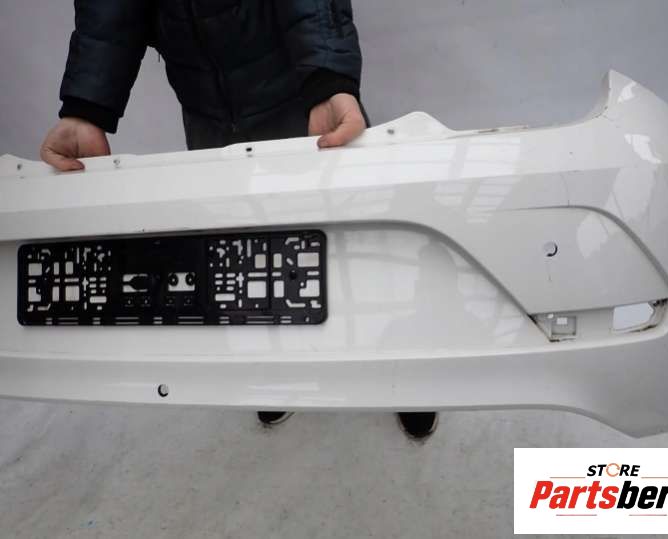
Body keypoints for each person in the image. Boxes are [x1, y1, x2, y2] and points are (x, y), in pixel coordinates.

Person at [40, 0, 437, 440]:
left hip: (300, 94)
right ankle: (278, 367)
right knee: (247, 259)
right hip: (211, 115)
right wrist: (86, 108)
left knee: (360, 245)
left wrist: (327, 80)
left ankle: (405, 374)